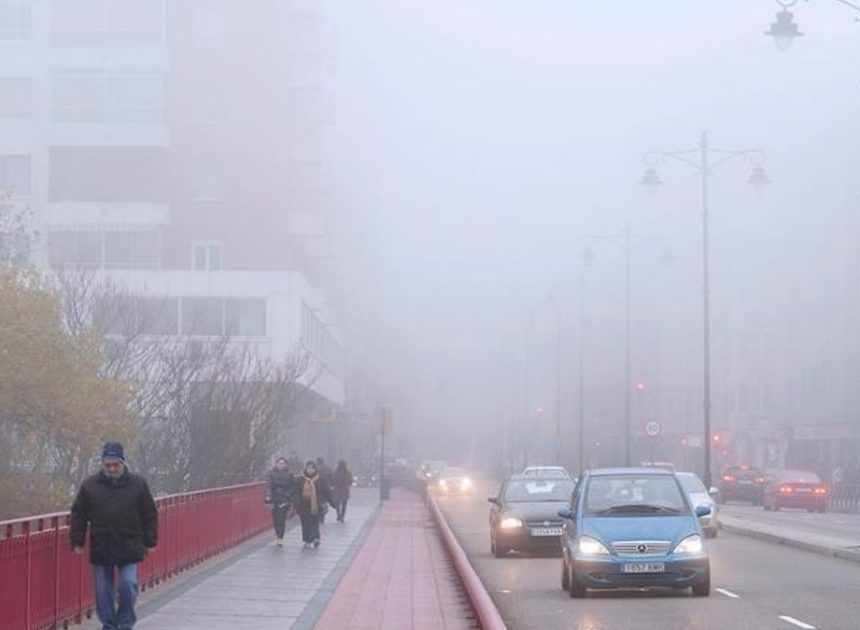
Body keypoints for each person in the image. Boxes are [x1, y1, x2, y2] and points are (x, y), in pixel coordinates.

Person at [70, 442, 158, 630]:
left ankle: (125, 621)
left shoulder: (138, 484)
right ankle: (109, 625)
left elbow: (149, 514)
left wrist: (150, 541)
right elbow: (78, 514)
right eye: (107, 465)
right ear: (103, 464)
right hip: (102, 545)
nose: (111, 469)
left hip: (130, 544)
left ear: (123, 463)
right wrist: (77, 541)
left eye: (115, 464)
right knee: (103, 592)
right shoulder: (90, 486)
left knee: (128, 585)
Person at [294, 460, 335, 548]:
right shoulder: (301, 479)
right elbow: (297, 492)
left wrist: (333, 503)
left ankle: (316, 538)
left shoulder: (321, 478)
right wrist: (296, 504)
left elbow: (327, 491)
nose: (310, 470)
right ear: (306, 468)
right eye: (309, 468)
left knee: (314, 523)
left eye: (312, 468)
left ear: (315, 469)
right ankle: (307, 540)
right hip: (303, 505)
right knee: (305, 523)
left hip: (316, 505)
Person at [265, 456, 295, 546]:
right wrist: (268, 496)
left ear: (285, 465)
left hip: (285, 499)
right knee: (275, 518)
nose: (281, 465)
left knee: (281, 518)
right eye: (279, 463)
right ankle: (278, 534)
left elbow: (293, 486)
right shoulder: (271, 473)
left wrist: (288, 495)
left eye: (282, 463)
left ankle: (280, 537)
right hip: (275, 498)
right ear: (276, 464)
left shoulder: (290, 474)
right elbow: (268, 485)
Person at [315, 457, 334, 523]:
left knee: (317, 502)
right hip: (325, 487)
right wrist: (331, 485)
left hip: (317, 487)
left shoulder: (315, 468)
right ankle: (322, 516)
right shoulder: (328, 468)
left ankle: (318, 516)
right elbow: (332, 477)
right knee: (323, 502)